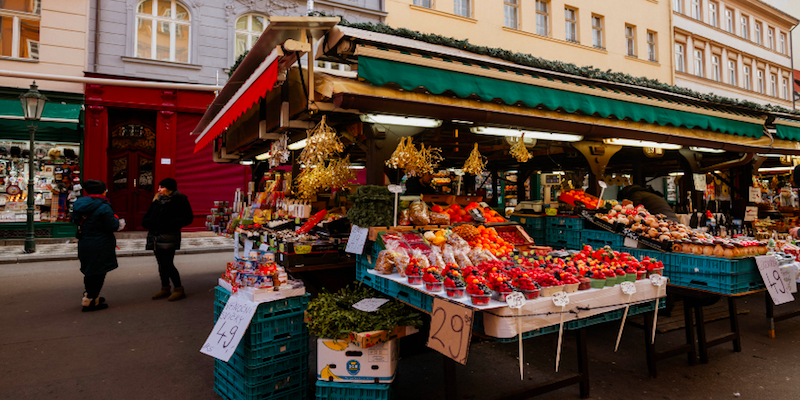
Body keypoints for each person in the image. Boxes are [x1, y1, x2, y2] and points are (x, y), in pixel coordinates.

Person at [72, 180, 124, 312]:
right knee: (99, 272)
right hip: (101, 242)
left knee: (89, 270)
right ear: (102, 191)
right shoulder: (104, 206)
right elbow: (112, 225)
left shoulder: (80, 204)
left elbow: (74, 220)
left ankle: (90, 295)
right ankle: (91, 300)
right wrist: (120, 222)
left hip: (85, 241)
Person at [142, 178, 194, 301]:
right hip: (155, 236)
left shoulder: (180, 200)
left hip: (169, 236)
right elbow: (147, 217)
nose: (159, 189)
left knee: (168, 263)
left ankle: (178, 289)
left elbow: (188, 218)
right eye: (159, 187)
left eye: (162, 187)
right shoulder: (156, 201)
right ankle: (165, 288)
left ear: (169, 189)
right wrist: (148, 223)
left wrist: (170, 224)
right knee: (161, 264)